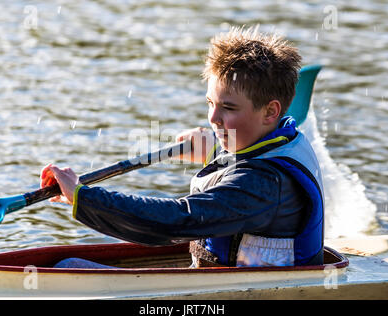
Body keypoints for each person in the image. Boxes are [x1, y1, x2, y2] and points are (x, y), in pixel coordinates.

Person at [41, 26, 324, 269]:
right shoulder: (286, 136)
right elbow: (251, 163)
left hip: (244, 291)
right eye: (210, 103)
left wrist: (85, 197)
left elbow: (177, 221)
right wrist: (214, 152)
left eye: (228, 107)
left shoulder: (261, 183)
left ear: (270, 111)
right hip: (227, 278)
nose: (213, 118)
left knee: (66, 268)